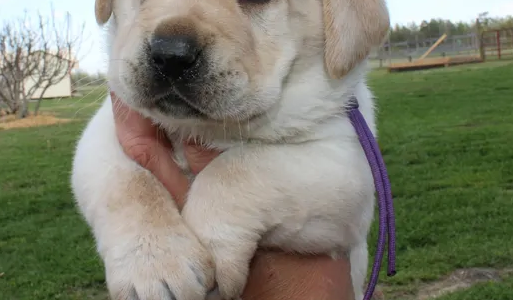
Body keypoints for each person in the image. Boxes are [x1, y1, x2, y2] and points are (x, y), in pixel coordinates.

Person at [111, 92, 354, 300]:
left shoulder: (323, 99)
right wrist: (141, 225)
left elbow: (346, 188)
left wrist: (233, 196)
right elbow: (105, 150)